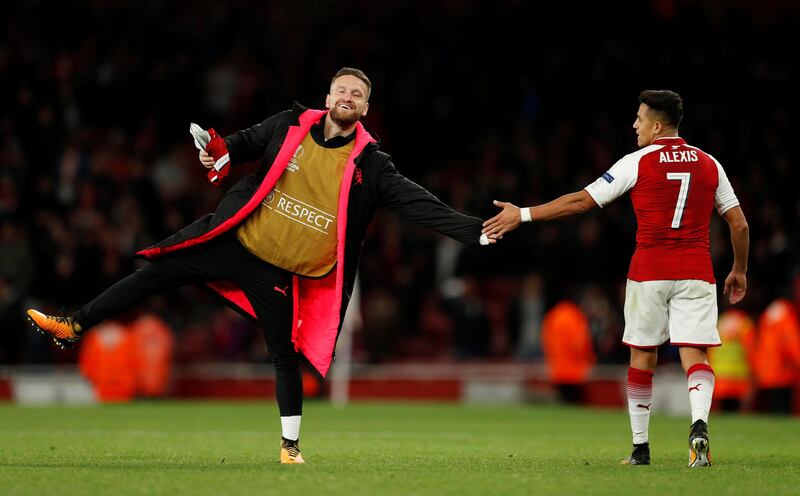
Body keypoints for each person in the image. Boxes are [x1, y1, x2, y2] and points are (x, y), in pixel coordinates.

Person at [26, 67, 493, 464]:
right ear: (328, 97)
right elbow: (240, 143)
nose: (348, 97)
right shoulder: (288, 124)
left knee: (283, 354)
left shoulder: (372, 166)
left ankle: (290, 447)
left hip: (276, 270)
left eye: (358, 94)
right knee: (152, 277)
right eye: (343, 90)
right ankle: (73, 325)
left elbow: (422, 206)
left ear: (365, 110)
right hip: (237, 240)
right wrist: (217, 146)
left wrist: (477, 231)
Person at [483, 90, 749, 467]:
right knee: (696, 355)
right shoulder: (710, 164)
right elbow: (738, 223)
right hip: (696, 271)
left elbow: (580, 201)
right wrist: (738, 269)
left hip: (649, 272)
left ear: (657, 126)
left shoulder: (637, 162)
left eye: (640, 119)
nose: (634, 125)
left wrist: (522, 215)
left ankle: (641, 450)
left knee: (643, 357)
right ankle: (699, 426)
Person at [540, 300, 595, 404]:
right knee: (575, 404)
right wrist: (590, 360)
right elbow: (579, 343)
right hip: (575, 372)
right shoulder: (576, 316)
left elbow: (545, 341)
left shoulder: (552, 316)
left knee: (564, 403)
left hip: (557, 370)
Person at [753, 298, 800, 414]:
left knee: (771, 410)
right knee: (782, 411)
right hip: (782, 372)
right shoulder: (786, 315)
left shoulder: (769, 313)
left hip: (765, 370)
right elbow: (790, 343)